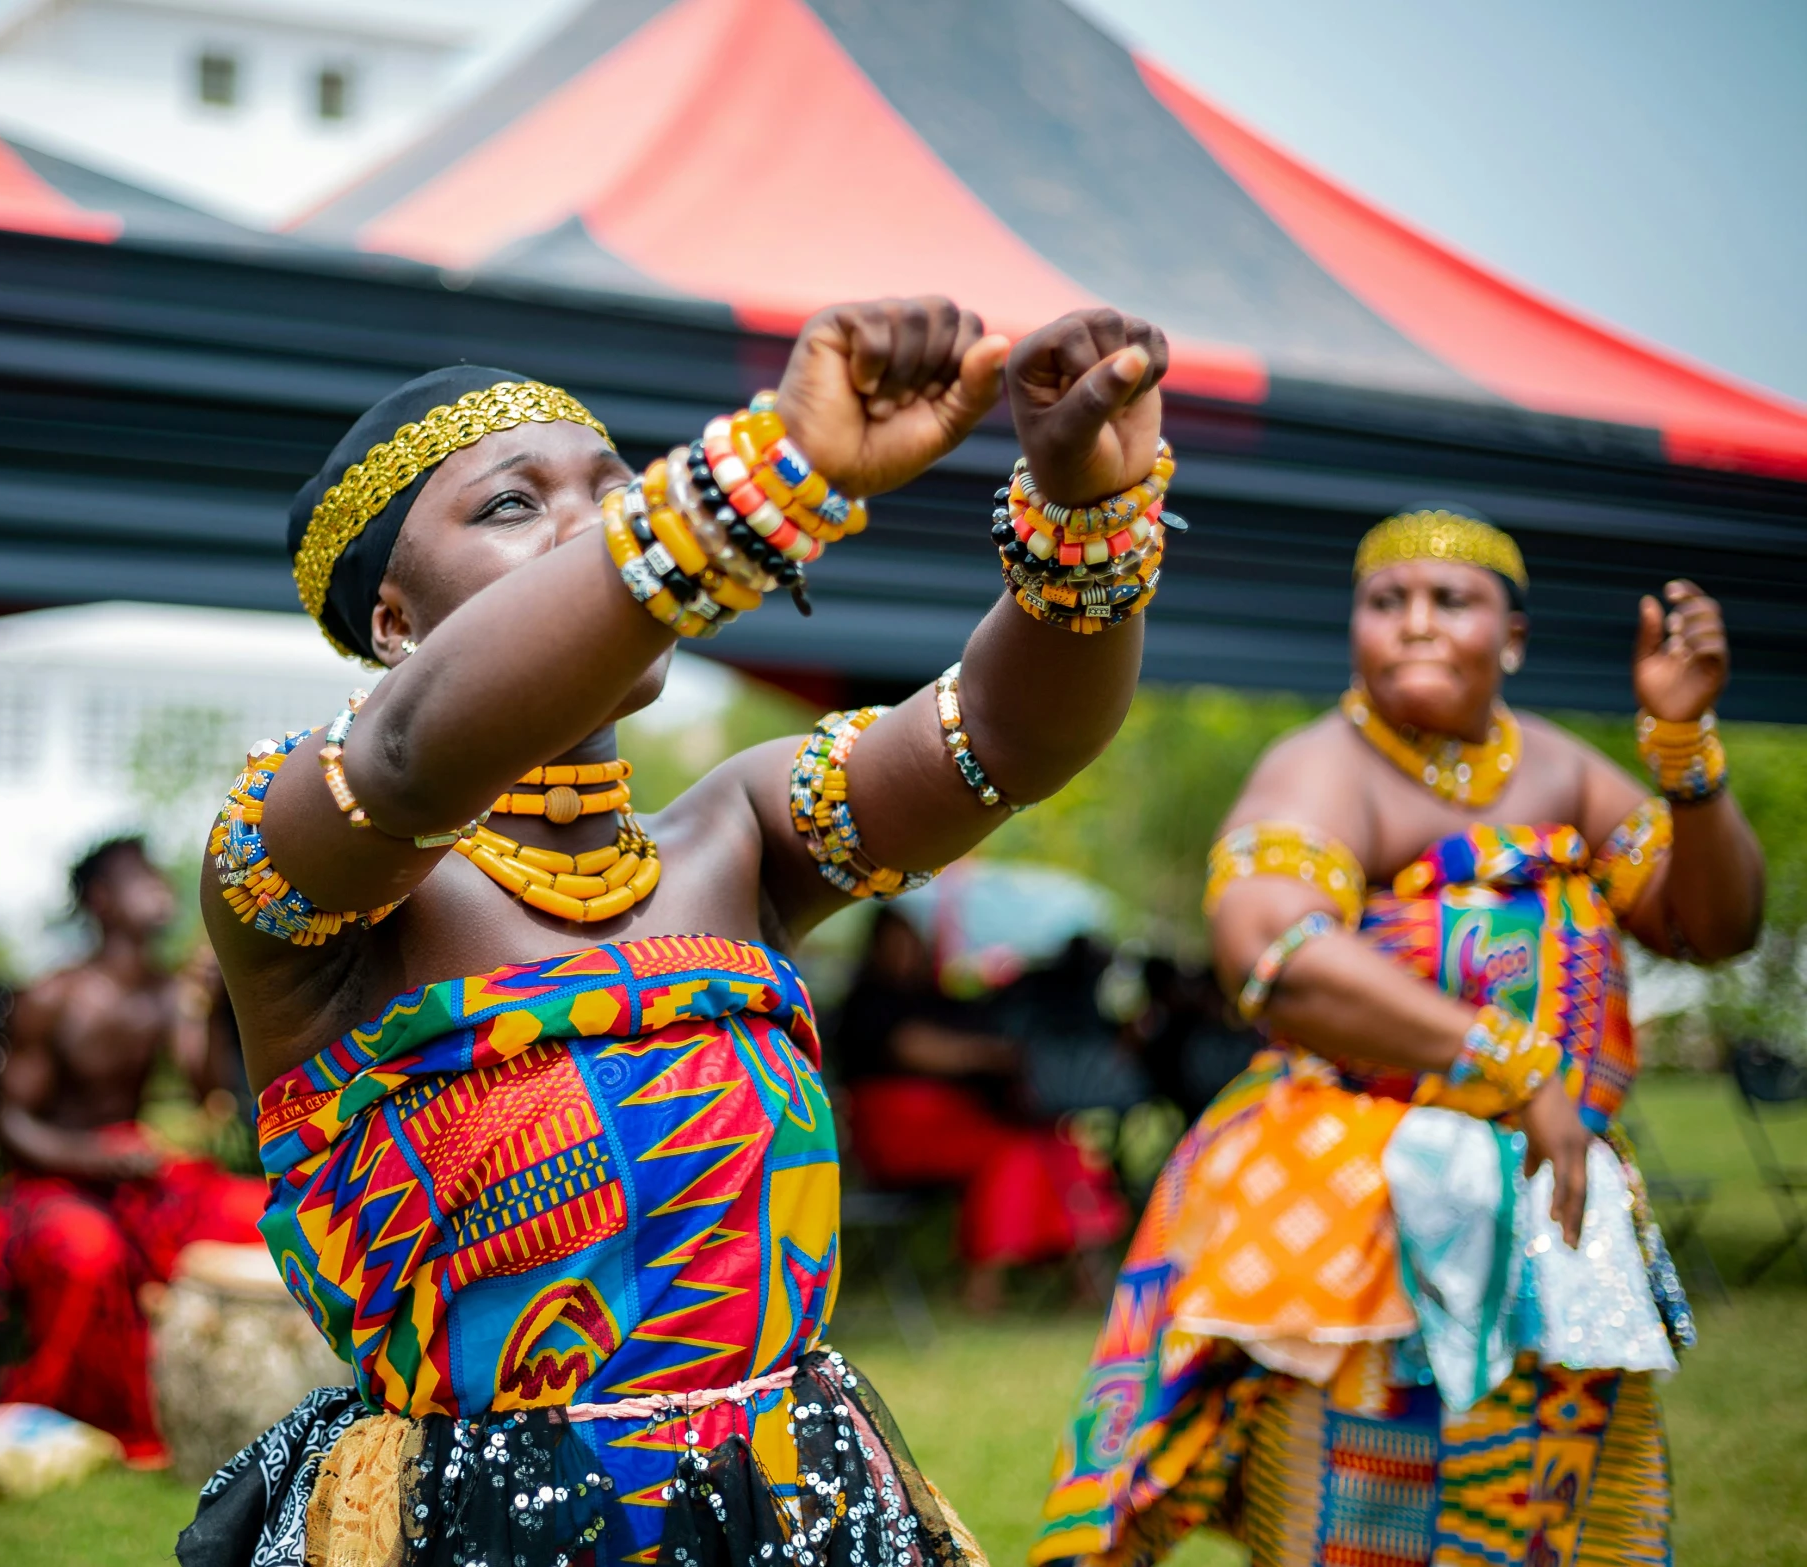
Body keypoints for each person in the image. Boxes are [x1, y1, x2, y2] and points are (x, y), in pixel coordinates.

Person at [180, 298, 1179, 1567]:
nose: (591, 522)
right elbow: (409, 753)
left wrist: (1085, 511)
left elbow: (1005, 740)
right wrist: (763, 477)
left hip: (791, 1501)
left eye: (615, 488)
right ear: (391, 623)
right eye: (509, 504)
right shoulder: (301, 854)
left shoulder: (741, 833)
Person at [1034, 511, 1763, 1564]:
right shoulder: (1322, 767)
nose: (1414, 626)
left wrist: (1686, 757)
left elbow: (1712, 925)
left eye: (1450, 601)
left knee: (1550, 1506)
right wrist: (1511, 1062)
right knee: (1359, 1511)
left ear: (1510, 636)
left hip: (1547, 1206)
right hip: (1346, 1212)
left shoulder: (1566, 770)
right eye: (1386, 602)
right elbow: (1268, 950)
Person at [0, 835, 271, 1467]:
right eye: (142, 878)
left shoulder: (168, 992)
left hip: (131, 1175)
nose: (160, 888)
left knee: (257, 1211)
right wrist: (99, 1159)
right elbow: (11, 1126)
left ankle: (243, 1396)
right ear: (101, 901)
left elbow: (205, 1090)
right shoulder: (54, 996)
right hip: (52, 1183)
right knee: (87, 1251)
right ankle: (72, 1409)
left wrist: (204, 1009)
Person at [833, 907, 1127, 1312]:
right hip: (898, 1132)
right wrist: (991, 1055)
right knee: (1011, 1153)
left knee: (1054, 1144)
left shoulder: (938, 998)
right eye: (896, 941)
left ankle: (1085, 1280)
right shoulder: (868, 1003)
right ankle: (983, 1287)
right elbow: (915, 1048)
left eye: (912, 941)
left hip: (956, 1123)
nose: (906, 951)